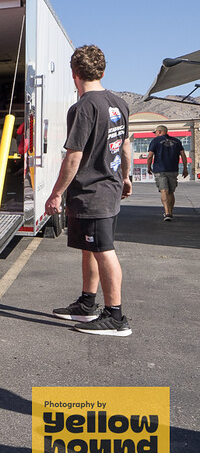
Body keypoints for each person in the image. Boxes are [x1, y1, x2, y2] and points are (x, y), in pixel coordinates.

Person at [45, 45, 133, 336]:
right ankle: (87, 305)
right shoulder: (119, 103)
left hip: (93, 193)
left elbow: (73, 156)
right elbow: (126, 145)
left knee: (104, 251)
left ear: (74, 74)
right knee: (90, 248)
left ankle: (115, 317)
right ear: (102, 72)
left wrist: (56, 193)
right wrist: (126, 176)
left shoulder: (83, 107)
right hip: (108, 188)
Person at [147, 125, 189, 221]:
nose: (155, 134)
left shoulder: (155, 141)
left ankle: (167, 213)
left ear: (160, 131)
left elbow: (150, 155)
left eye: (156, 132)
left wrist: (149, 167)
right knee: (171, 192)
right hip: (173, 170)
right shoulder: (177, 141)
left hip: (160, 170)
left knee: (164, 190)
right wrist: (185, 168)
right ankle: (170, 212)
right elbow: (183, 155)